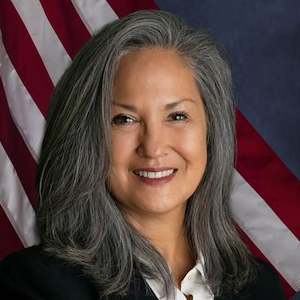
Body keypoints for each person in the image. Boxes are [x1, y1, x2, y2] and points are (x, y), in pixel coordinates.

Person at [0, 10, 285, 300]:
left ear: (211, 132)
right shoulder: (35, 285)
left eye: (177, 116)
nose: (153, 147)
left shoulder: (260, 287)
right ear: (88, 137)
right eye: (124, 119)